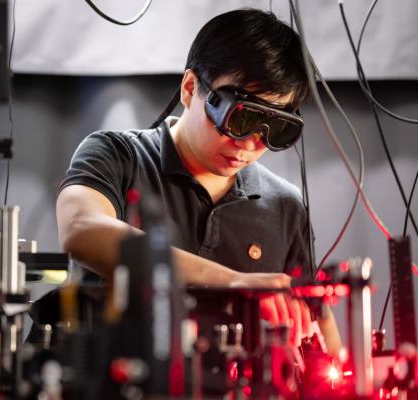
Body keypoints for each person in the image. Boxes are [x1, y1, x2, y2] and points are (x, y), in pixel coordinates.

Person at [56, 9, 341, 354]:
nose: (251, 144)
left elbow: (319, 325)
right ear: (191, 89)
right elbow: (81, 228)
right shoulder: (118, 154)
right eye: (241, 118)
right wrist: (234, 282)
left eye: (275, 128)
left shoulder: (284, 205)